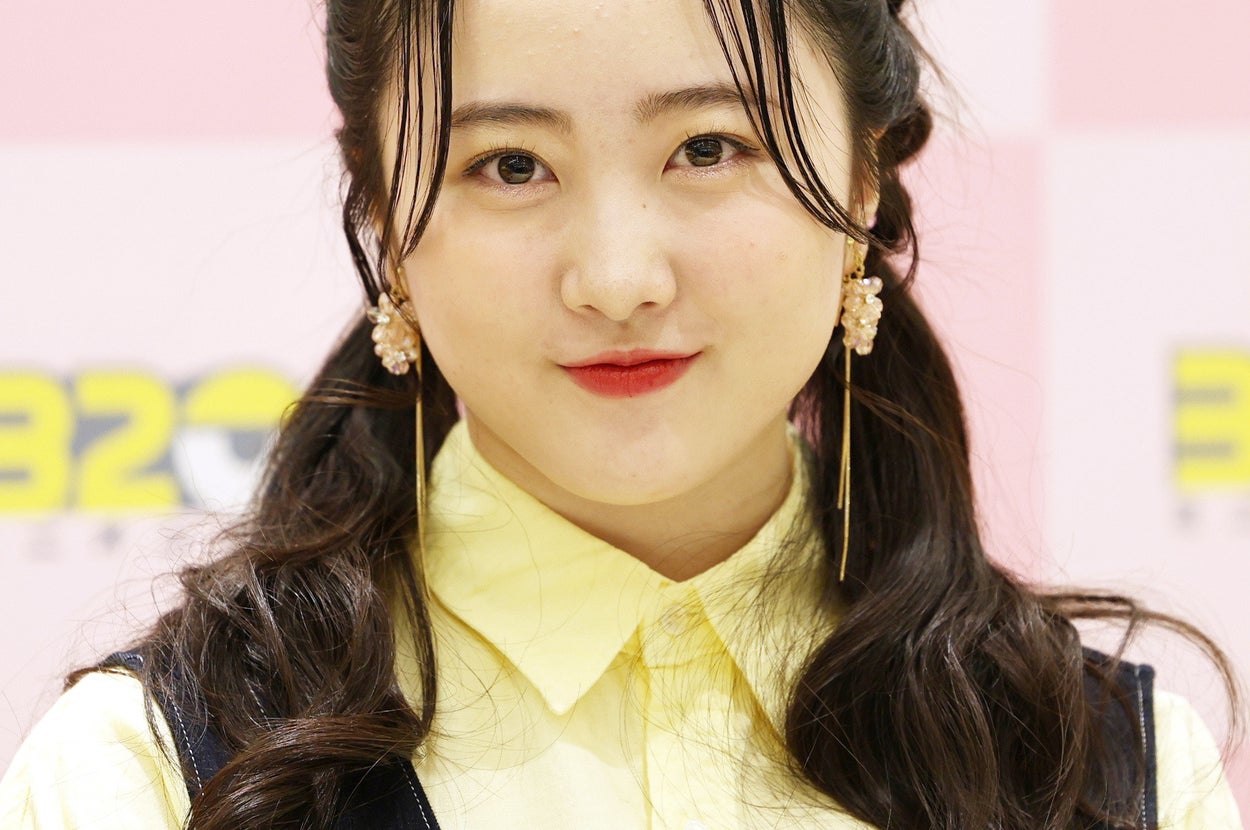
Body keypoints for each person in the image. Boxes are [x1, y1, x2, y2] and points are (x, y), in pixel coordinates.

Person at [0, 0, 1243, 827]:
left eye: (707, 148)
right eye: (509, 166)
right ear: (381, 217)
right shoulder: (157, 774)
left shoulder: (1099, 772)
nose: (615, 277)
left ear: (863, 176)